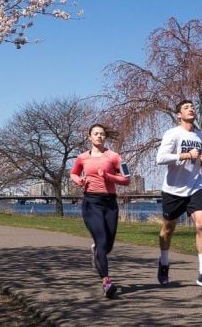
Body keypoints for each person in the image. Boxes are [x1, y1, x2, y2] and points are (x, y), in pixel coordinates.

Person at [156, 99, 202, 288]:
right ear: (179, 115)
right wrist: (187, 155)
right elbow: (161, 158)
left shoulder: (199, 135)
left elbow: (198, 159)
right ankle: (164, 264)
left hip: (195, 186)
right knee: (168, 229)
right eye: (186, 107)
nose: (191, 109)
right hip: (173, 189)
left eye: (193, 107)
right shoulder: (172, 133)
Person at [70, 123, 130, 298]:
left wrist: (108, 176)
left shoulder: (115, 157)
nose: (99, 136)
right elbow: (73, 173)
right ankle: (107, 281)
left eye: (102, 134)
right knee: (102, 240)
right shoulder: (82, 158)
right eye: (95, 134)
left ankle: (96, 250)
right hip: (91, 202)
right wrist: (78, 181)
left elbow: (126, 179)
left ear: (105, 137)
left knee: (108, 245)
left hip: (110, 203)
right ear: (89, 137)